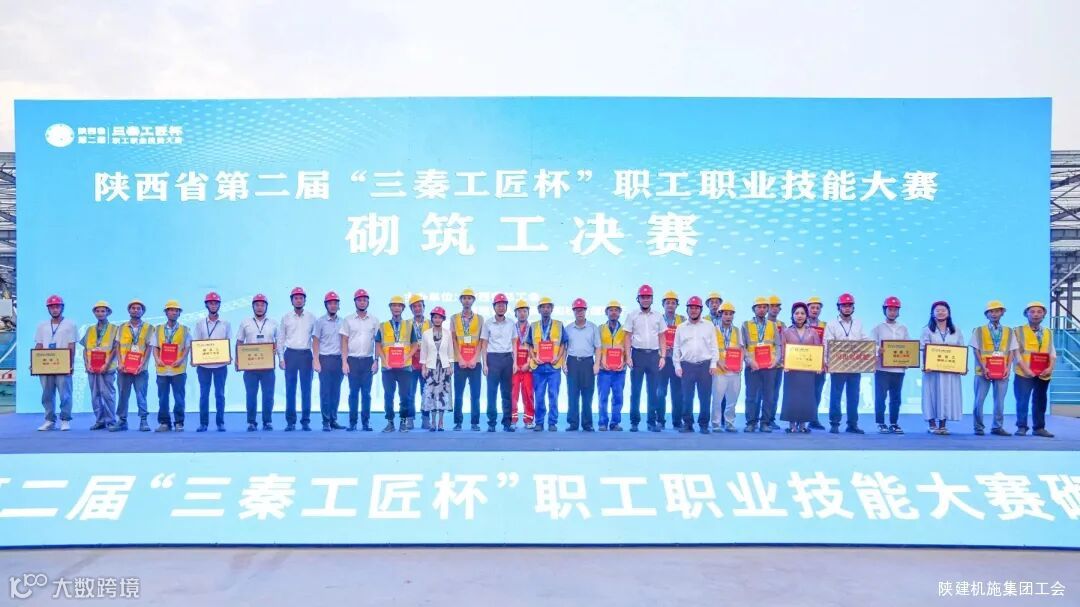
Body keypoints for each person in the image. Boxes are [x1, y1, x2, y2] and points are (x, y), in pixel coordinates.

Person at [970, 300, 1017, 437]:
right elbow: (975, 350)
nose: (994, 314)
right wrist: (983, 367)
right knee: (979, 400)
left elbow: (1012, 351)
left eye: (997, 311)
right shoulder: (979, 330)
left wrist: (1008, 368)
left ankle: (997, 427)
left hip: (1002, 371)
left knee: (999, 401)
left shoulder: (1009, 331)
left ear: (1002, 313)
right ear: (986, 314)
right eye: (991, 311)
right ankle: (978, 427)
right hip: (983, 371)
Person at [673, 296, 718, 434]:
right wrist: (677, 366)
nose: (693, 310)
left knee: (705, 397)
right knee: (687, 397)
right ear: (687, 310)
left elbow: (714, 346)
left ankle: (704, 424)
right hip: (687, 366)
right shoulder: (681, 327)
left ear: (701, 310)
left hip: (705, 366)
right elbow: (676, 348)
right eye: (691, 308)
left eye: (696, 308)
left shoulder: (709, 326)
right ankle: (688, 424)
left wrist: (713, 363)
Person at [825, 293, 867, 434]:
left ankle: (852, 424)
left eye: (850, 305)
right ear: (839, 307)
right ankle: (834, 423)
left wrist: (877, 350)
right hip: (838, 365)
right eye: (844, 305)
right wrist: (827, 362)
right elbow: (827, 344)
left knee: (854, 396)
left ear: (853, 307)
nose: (847, 308)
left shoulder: (858, 323)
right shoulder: (832, 324)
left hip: (855, 366)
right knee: (835, 396)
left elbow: (865, 341)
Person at [34, 295, 78, 431]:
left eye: (57, 306)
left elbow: (72, 345)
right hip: (45, 365)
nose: (54, 309)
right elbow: (39, 344)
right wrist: (34, 363)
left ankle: (65, 419)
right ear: (48, 309)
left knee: (65, 394)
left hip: (62, 365)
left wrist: (70, 364)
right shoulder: (42, 325)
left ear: (62, 308)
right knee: (47, 394)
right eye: (52, 307)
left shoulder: (70, 324)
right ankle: (49, 420)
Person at [236, 294, 279, 431]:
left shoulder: (273, 323)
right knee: (251, 395)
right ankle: (251, 422)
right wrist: (237, 360)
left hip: (268, 367)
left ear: (266, 307)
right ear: (253, 307)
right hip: (250, 367)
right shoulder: (245, 322)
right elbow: (239, 342)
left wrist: (276, 349)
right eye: (257, 305)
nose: (260, 308)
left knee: (268, 396)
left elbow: (279, 341)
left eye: (262, 305)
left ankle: (267, 421)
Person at [625, 284, 664, 432]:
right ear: (638, 299)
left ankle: (651, 422)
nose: (646, 300)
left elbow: (662, 336)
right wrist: (628, 356)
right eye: (643, 297)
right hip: (637, 355)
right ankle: (634, 422)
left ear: (652, 299)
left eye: (648, 297)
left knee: (653, 391)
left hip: (654, 356)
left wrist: (663, 356)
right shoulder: (632, 315)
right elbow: (627, 336)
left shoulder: (658, 316)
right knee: (635, 391)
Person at [921, 301, 964, 435]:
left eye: (943, 310)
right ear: (932, 313)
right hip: (932, 371)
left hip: (950, 371)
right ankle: (932, 424)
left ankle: (943, 424)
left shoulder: (956, 330)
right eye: (937, 310)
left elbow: (961, 350)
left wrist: (962, 367)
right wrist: (925, 365)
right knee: (931, 395)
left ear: (948, 313)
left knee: (947, 395)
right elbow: (923, 349)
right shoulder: (927, 330)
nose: (941, 312)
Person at [1013, 301, 1055, 438]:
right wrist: (1026, 369)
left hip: (1043, 373)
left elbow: (1052, 352)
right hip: (1024, 372)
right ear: (1026, 314)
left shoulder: (1048, 332)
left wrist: (1050, 367)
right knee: (1022, 400)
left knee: (1040, 400)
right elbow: (1016, 353)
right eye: (1032, 312)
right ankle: (1021, 427)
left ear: (1044, 315)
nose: (1036, 314)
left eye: (1039, 312)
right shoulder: (1018, 330)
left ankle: (1039, 428)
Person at [375, 295, 417, 432]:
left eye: (399, 305)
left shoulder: (409, 326)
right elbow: (378, 345)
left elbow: (415, 345)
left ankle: (403, 422)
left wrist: (407, 357)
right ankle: (390, 422)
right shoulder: (383, 326)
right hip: (388, 368)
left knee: (405, 396)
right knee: (388, 396)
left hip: (405, 367)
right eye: (394, 305)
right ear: (390, 308)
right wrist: (384, 360)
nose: (396, 308)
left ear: (403, 308)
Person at [780, 302, 822, 433]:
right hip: (791, 371)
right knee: (791, 396)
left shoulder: (813, 332)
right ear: (792, 315)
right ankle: (792, 425)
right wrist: (784, 363)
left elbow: (817, 349)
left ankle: (803, 425)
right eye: (797, 313)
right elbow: (783, 349)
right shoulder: (786, 331)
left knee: (806, 396)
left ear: (806, 315)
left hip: (807, 371)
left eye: (802, 313)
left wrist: (818, 365)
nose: (799, 316)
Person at [340, 289, 379, 431]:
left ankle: (366, 423)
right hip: (352, 361)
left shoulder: (374, 320)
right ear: (355, 302)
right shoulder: (348, 320)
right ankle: (353, 422)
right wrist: (344, 362)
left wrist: (376, 361)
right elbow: (344, 341)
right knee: (353, 393)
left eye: (364, 300)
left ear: (368, 302)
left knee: (366, 394)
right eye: (359, 300)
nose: (362, 302)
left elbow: (377, 343)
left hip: (368, 361)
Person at [112, 298, 153, 432]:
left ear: (142, 311)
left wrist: (143, 364)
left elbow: (149, 348)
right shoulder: (121, 327)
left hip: (140, 369)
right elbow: (118, 346)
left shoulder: (149, 328)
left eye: (138, 308)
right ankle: (122, 421)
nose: (135, 310)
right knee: (123, 394)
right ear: (129, 311)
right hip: (124, 368)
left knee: (141, 395)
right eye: (133, 308)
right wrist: (120, 363)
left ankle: (143, 420)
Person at [527, 296, 568, 431]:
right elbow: (529, 345)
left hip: (553, 367)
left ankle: (552, 422)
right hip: (538, 367)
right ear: (539, 310)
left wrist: (558, 357)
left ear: (552, 309)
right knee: (539, 396)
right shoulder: (533, 326)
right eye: (543, 307)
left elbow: (563, 344)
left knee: (553, 396)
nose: (546, 309)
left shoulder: (559, 325)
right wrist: (534, 358)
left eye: (548, 307)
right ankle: (539, 422)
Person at [278, 287, 315, 432]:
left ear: (305, 300)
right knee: (290, 390)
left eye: (301, 298)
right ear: (291, 301)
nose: (298, 300)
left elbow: (316, 340)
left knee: (306, 390)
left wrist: (316, 358)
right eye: (296, 298)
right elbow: (281, 339)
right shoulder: (286, 317)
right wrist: (281, 358)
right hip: (290, 355)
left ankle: (305, 421)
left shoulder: (311, 317)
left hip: (306, 355)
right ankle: (290, 422)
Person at [742, 297, 782, 432]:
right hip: (752, 366)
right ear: (753, 309)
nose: (762, 309)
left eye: (764, 307)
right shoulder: (746, 325)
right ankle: (751, 423)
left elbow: (778, 345)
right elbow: (743, 347)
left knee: (768, 396)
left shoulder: (772, 325)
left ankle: (765, 423)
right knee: (751, 396)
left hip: (769, 366)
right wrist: (749, 361)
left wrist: (776, 360)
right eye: (759, 307)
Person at [151, 299, 191, 432]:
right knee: (162, 398)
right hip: (162, 369)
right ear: (166, 313)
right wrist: (157, 359)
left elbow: (187, 347)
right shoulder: (158, 329)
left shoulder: (184, 329)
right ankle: (164, 423)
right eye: (171, 310)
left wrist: (180, 360)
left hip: (178, 369)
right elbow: (155, 347)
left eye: (176, 311)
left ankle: (179, 422)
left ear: (179, 313)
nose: (173, 313)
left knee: (179, 398)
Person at [193, 292, 230, 432]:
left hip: (221, 365)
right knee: (204, 395)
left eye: (216, 303)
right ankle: (203, 423)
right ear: (206, 305)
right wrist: (194, 358)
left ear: (219, 305)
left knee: (220, 394)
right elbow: (196, 343)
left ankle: (220, 423)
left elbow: (227, 343)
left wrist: (228, 356)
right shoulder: (200, 323)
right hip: (203, 366)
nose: (213, 305)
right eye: (211, 303)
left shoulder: (226, 323)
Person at [871, 296, 908, 434]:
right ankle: (880, 423)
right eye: (890, 309)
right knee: (880, 397)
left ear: (898, 311)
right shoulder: (878, 328)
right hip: (882, 368)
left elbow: (908, 346)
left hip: (898, 369)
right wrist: (878, 349)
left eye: (895, 310)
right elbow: (871, 345)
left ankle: (894, 423)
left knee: (896, 398)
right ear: (884, 310)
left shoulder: (903, 328)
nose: (892, 312)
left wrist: (908, 360)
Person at [480, 293, 516, 431]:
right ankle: (491, 423)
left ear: (506, 307)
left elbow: (514, 343)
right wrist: (485, 363)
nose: (501, 307)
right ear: (494, 307)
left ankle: (507, 423)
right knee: (491, 393)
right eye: (498, 305)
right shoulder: (488, 323)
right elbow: (484, 344)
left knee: (507, 393)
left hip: (507, 359)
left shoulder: (511, 323)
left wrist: (515, 362)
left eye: (503, 305)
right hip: (492, 359)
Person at [450, 288, 484, 431]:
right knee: (458, 395)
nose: (467, 301)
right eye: (464, 298)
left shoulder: (480, 318)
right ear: (460, 300)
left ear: (473, 300)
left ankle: (474, 423)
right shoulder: (454, 318)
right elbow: (453, 339)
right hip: (460, 362)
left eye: (469, 298)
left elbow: (481, 340)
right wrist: (460, 359)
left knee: (475, 395)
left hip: (475, 362)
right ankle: (458, 422)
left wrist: (475, 358)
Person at [81, 300, 118, 430]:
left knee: (108, 395)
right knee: (95, 395)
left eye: (103, 311)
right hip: (92, 368)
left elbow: (115, 349)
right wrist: (86, 364)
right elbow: (85, 349)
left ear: (108, 312)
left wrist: (106, 365)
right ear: (94, 313)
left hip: (107, 368)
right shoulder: (90, 329)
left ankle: (111, 421)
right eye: (97, 311)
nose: (100, 313)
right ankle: (100, 420)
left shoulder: (114, 329)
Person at [564, 298, 599, 432]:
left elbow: (598, 347)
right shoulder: (568, 328)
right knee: (572, 394)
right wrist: (563, 363)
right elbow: (564, 348)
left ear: (585, 311)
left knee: (587, 394)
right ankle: (573, 423)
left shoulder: (593, 327)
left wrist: (597, 364)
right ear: (573, 311)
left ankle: (587, 424)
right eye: (577, 310)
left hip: (588, 363)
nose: (579, 312)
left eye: (582, 310)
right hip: (572, 363)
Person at [313, 291, 346, 431]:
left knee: (336, 391)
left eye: (335, 303)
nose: (333, 305)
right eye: (330, 303)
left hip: (338, 359)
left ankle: (333, 419)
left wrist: (344, 361)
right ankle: (325, 421)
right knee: (325, 391)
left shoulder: (343, 322)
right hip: (324, 359)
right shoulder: (320, 322)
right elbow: (315, 341)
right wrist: (316, 360)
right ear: (326, 305)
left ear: (338, 305)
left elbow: (344, 342)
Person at [420, 307, 454, 431]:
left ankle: (441, 422)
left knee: (443, 395)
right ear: (432, 319)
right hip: (431, 368)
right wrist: (423, 367)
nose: (437, 319)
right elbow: (424, 352)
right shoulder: (426, 333)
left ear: (443, 319)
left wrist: (451, 365)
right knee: (431, 395)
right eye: (435, 317)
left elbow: (450, 351)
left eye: (440, 317)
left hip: (444, 368)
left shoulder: (448, 333)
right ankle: (433, 422)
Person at [712, 301, 743, 433]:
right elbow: (712, 350)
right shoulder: (713, 330)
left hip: (734, 371)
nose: (728, 317)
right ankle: (716, 424)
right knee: (717, 399)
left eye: (731, 314)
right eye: (726, 314)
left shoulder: (737, 330)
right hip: (719, 370)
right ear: (720, 314)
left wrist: (740, 364)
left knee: (732, 399)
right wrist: (719, 363)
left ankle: (729, 423)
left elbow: (741, 348)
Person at [597, 300, 628, 432]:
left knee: (618, 397)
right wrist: (600, 362)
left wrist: (625, 362)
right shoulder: (600, 329)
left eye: (616, 310)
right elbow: (597, 348)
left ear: (620, 313)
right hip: (604, 370)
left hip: (620, 370)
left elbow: (628, 348)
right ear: (606, 312)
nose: (613, 312)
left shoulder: (625, 329)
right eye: (611, 310)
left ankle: (615, 423)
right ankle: (602, 423)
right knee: (603, 397)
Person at [657, 291, 685, 430]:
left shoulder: (683, 320)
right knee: (660, 392)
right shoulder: (658, 319)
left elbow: (687, 338)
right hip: (661, 360)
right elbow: (653, 337)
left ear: (677, 305)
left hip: (677, 361)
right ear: (663, 304)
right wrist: (661, 347)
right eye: (667, 302)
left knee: (677, 393)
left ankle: (677, 421)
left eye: (673, 303)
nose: (670, 305)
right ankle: (660, 421)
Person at [511, 300, 536, 429]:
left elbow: (536, 347)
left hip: (528, 366)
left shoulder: (533, 329)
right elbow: (507, 346)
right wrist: (513, 363)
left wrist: (529, 363)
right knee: (512, 394)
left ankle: (529, 420)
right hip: (514, 366)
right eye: (519, 311)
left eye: (524, 311)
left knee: (528, 393)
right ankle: (512, 420)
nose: (522, 313)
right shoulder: (511, 328)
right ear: (515, 313)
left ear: (528, 313)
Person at [407, 295, 431, 429]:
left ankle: (426, 418)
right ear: (411, 309)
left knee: (426, 393)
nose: (417, 309)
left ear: (423, 307)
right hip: (411, 363)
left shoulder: (430, 323)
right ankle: (410, 419)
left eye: (419, 306)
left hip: (426, 364)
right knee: (410, 393)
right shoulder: (406, 324)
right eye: (414, 306)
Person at [805, 296, 828, 430]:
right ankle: (802, 418)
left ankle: (814, 418)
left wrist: (825, 362)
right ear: (807, 309)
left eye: (817, 308)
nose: (815, 310)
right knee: (804, 392)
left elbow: (828, 345)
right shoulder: (801, 323)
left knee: (817, 392)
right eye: (812, 307)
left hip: (819, 364)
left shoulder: (825, 325)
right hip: (804, 363)